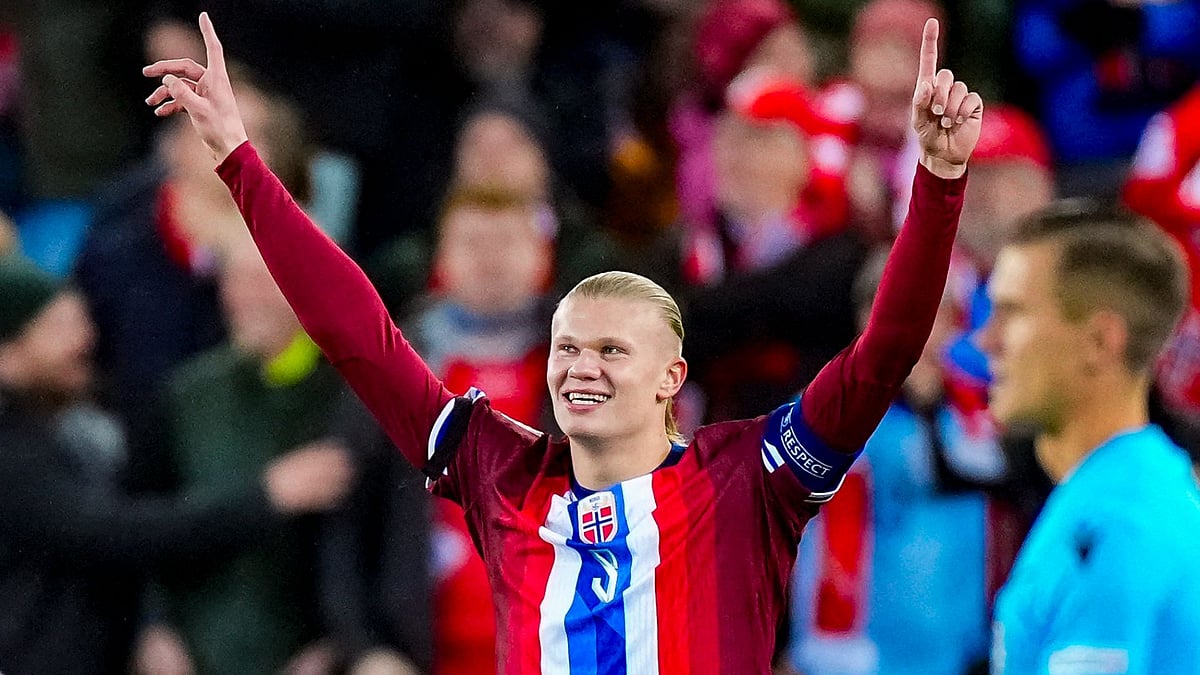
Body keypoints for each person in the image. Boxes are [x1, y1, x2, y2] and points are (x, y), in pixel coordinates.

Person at [144, 13, 981, 672]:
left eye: (611, 350)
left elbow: (886, 350)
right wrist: (241, 161)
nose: (581, 365)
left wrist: (939, 181)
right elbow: (357, 334)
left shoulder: (751, 476)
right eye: (568, 349)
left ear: (671, 376)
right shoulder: (501, 470)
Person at [0, 250, 353, 675]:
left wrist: (342, 640)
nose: (85, 339)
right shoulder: (14, 452)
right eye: (58, 327)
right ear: (7, 354)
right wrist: (267, 497)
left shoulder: (70, 431)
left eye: (80, 320)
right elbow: (117, 530)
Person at [979, 202, 1200, 673]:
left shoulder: (1113, 527)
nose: (986, 341)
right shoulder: (1128, 490)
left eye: (1011, 313)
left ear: (1099, 341)